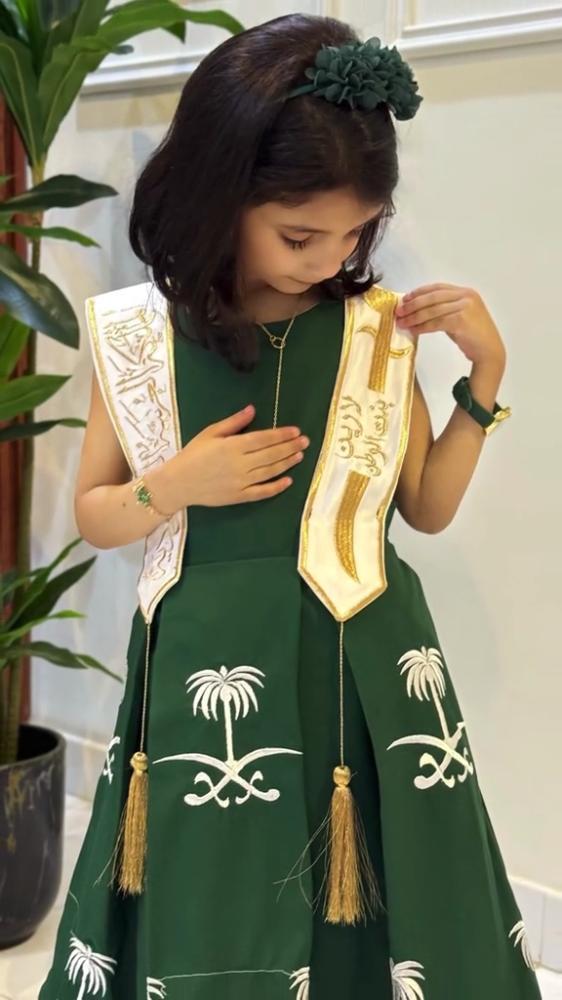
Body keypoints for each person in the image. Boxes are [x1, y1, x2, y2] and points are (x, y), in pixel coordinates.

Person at [39, 13, 541, 1000]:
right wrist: (174, 485)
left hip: (363, 661)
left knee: (378, 901)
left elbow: (426, 506)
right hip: (204, 667)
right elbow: (96, 513)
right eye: (300, 234)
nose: (328, 256)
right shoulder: (140, 336)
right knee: (214, 887)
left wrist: (483, 377)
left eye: (356, 233)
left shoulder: (374, 333)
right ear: (219, 193)